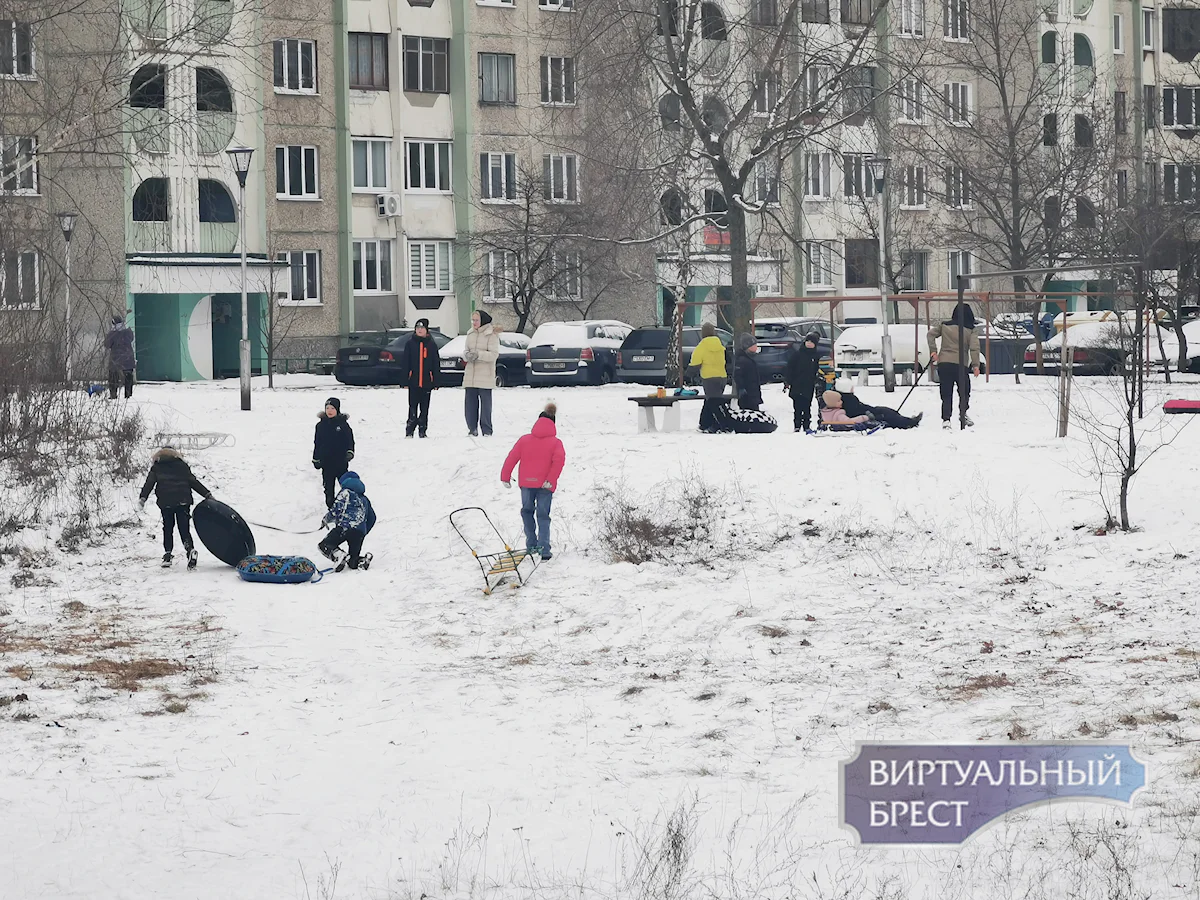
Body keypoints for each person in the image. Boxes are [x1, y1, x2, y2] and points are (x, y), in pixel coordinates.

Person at [500, 402, 565, 560]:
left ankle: (531, 544)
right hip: (545, 485)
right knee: (543, 516)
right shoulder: (556, 443)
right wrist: (551, 479)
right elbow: (559, 462)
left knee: (527, 512)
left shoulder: (524, 440)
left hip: (526, 484)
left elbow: (512, 457)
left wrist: (505, 476)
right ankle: (544, 549)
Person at [139, 446, 212, 569]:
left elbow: (149, 483)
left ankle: (167, 555)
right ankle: (190, 551)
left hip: (166, 502)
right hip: (183, 500)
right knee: (184, 528)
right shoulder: (182, 466)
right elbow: (193, 482)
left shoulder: (157, 467)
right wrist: (207, 494)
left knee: (168, 527)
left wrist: (143, 498)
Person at [928, 302, 981, 429]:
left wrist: (933, 351)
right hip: (960, 365)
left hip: (944, 364)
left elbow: (930, 334)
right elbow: (974, 348)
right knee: (964, 391)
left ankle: (946, 420)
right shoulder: (971, 329)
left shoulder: (945, 325)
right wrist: (975, 365)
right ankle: (963, 414)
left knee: (946, 392)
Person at [318, 471, 376, 570]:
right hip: (359, 532)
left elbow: (336, 509)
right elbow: (372, 518)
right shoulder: (364, 498)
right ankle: (361, 561)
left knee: (325, 545)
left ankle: (339, 555)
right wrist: (363, 531)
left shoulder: (345, 493)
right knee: (353, 561)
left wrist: (326, 519)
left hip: (345, 527)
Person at [463, 309, 500, 436]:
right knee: (470, 405)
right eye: (472, 320)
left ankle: (486, 430)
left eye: (476, 320)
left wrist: (479, 354)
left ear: (482, 321)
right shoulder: (470, 334)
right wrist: (467, 355)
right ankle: (472, 428)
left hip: (485, 376)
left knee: (485, 406)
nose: (474, 323)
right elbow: (465, 350)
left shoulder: (491, 334)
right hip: (470, 376)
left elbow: (494, 355)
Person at [313, 397, 355, 509]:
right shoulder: (320, 426)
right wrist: (316, 458)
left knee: (344, 485)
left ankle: (345, 506)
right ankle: (331, 506)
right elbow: (317, 443)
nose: (329, 411)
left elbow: (349, 440)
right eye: (327, 408)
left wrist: (350, 452)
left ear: (337, 409)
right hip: (326, 462)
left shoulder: (343, 425)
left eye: (332, 408)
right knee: (328, 487)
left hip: (340, 461)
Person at [687, 322, 729, 433]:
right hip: (722, 377)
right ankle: (704, 423)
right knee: (711, 400)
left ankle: (723, 424)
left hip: (709, 378)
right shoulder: (720, 345)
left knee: (714, 402)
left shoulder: (702, 346)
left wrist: (688, 375)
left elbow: (695, 363)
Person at [403, 318, 440, 438]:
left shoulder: (431, 344)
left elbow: (435, 363)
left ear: (426, 330)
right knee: (412, 406)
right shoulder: (410, 343)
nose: (419, 330)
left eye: (422, 328)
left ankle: (422, 430)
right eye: (417, 328)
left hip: (427, 382)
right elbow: (405, 363)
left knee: (425, 408)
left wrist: (436, 381)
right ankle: (410, 430)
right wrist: (404, 379)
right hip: (413, 381)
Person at [784, 330, 821, 432]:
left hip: (808, 385)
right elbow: (789, 368)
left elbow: (817, 370)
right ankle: (797, 425)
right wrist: (788, 381)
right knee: (797, 407)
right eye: (807, 341)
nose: (809, 343)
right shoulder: (797, 355)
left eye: (811, 342)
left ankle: (806, 425)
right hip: (797, 385)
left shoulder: (816, 356)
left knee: (807, 406)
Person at [832, 388, 923, 429]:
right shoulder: (848, 400)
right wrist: (867, 414)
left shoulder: (847, 397)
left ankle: (904, 419)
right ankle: (909, 422)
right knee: (886, 415)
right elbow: (855, 413)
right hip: (867, 415)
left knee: (885, 410)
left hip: (868, 411)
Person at [105, 314, 136, 399]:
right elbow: (131, 339)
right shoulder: (128, 332)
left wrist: (111, 333)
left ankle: (113, 394)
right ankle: (128, 395)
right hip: (128, 357)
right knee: (128, 376)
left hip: (115, 357)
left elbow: (107, 345)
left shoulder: (112, 334)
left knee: (113, 376)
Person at [734, 333, 763, 411]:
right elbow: (737, 375)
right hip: (747, 395)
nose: (756, 347)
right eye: (754, 345)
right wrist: (742, 388)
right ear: (747, 346)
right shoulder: (742, 360)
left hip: (753, 393)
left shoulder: (750, 358)